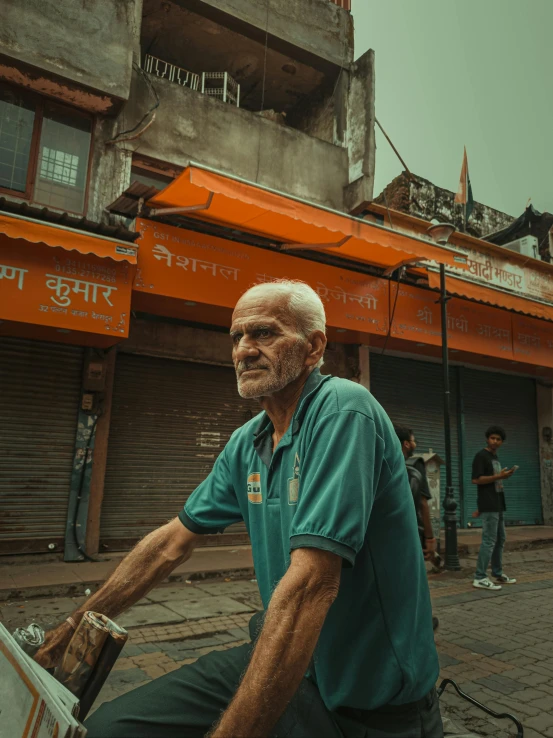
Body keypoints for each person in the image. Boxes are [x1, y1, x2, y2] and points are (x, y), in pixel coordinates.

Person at [36, 280, 443, 738]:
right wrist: (71, 627)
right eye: (237, 337)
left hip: (366, 699)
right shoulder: (247, 441)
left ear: (313, 347)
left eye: (265, 333)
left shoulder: (343, 410)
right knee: (109, 729)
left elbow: (312, 585)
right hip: (280, 658)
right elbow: (171, 543)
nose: (244, 350)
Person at [394, 424, 439, 631]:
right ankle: (422, 621)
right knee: (416, 579)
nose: (414, 443)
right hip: (413, 535)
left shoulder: (383, 465)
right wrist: (430, 538)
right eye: (413, 440)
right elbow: (422, 505)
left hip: (392, 537)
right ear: (406, 443)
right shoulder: (414, 468)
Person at [472, 425, 517, 591]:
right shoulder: (481, 456)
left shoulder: (494, 457)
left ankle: (497, 572)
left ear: (502, 442)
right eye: (492, 438)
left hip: (498, 504)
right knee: (489, 540)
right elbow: (476, 480)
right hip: (489, 504)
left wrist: (503, 476)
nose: (495, 441)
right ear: (487, 439)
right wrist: (499, 476)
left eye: (498, 439)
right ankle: (480, 577)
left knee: (500, 539)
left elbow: (494, 480)